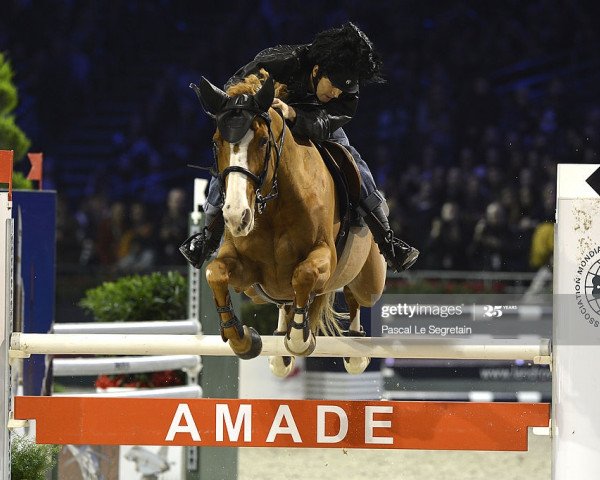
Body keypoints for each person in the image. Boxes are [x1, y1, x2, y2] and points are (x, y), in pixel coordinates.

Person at [180, 22, 419, 272]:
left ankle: (388, 242)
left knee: (354, 162)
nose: (338, 93)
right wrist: (258, 106)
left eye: (344, 88)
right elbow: (236, 90)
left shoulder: (347, 88)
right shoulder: (281, 60)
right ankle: (207, 238)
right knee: (236, 158)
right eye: (334, 85)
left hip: (315, 123)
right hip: (266, 119)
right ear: (316, 70)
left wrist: (293, 113)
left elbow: (329, 121)